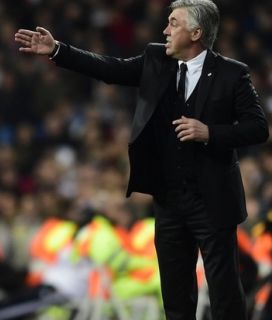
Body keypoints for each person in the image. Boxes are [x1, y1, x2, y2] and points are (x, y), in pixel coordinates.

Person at [14, 0, 269, 319]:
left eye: (174, 23)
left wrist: (210, 132)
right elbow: (109, 68)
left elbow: (258, 128)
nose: (165, 29)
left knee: (224, 293)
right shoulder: (155, 59)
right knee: (176, 295)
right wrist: (58, 51)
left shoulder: (232, 74)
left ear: (196, 32)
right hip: (169, 200)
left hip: (214, 200)